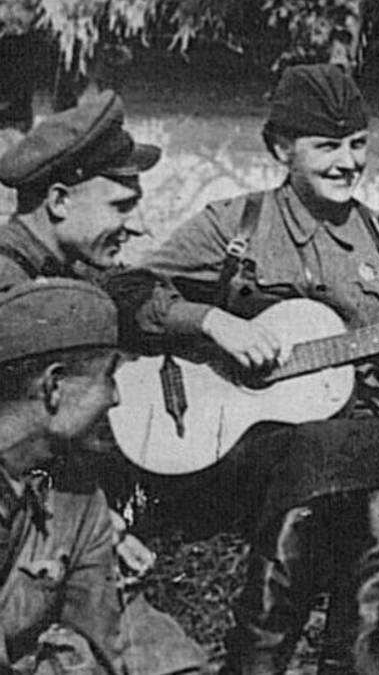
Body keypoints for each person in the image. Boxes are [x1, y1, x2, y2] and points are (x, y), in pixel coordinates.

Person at [136, 63, 379, 675]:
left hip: (361, 435)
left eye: (357, 144)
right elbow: (128, 289)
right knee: (351, 459)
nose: (347, 162)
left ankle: (272, 663)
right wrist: (213, 322)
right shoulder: (236, 226)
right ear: (282, 149)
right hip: (247, 439)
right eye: (327, 146)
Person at [0, 90, 208, 674]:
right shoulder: (13, 290)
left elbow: (133, 293)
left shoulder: (65, 268)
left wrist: (210, 319)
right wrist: (79, 524)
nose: (134, 225)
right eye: (120, 206)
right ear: (59, 200)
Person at [0, 279, 128, 674]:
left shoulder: (79, 500)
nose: (116, 397)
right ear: (54, 386)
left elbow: (99, 646)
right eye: (108, 376)